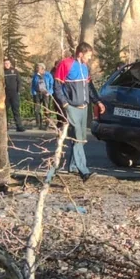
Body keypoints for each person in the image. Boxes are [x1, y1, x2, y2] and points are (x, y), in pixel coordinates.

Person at [53, 43, 104, 180]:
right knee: (76, 137)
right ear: (81, 53)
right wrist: (64, 104)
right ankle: (84, 171)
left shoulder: (85, 67)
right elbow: (57, 86)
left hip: (84, 108)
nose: (90, 58)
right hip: (72, 107)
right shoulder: (66, 64)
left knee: (80, 140)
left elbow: (89, 87)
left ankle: (73, 167)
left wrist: (97, 101)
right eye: (88, 55)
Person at [4, 58, 25, 132]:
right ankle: (5, 127)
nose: (7, 65)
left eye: (8, 63)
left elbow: (19, 81)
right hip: (5, 94)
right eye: (5, 63)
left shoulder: (15, 71)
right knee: (5, 111)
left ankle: (19, 126)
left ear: (10, 64)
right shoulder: (2, 72)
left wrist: (18, 91)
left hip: (14, 93)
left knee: (16, 110)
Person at [31, 63, 54, 130]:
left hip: (46, 93)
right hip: (37, 93)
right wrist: (34, 92)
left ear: (42, 68)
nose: (37, 69)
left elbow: (51, 85)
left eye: (38, 67)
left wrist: (49, 92)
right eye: (37, 67)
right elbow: (33, 85)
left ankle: (47, 124)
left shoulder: (48, 75)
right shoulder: (35, 75)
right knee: (37, 109)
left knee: (46, 109)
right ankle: (38, 124)